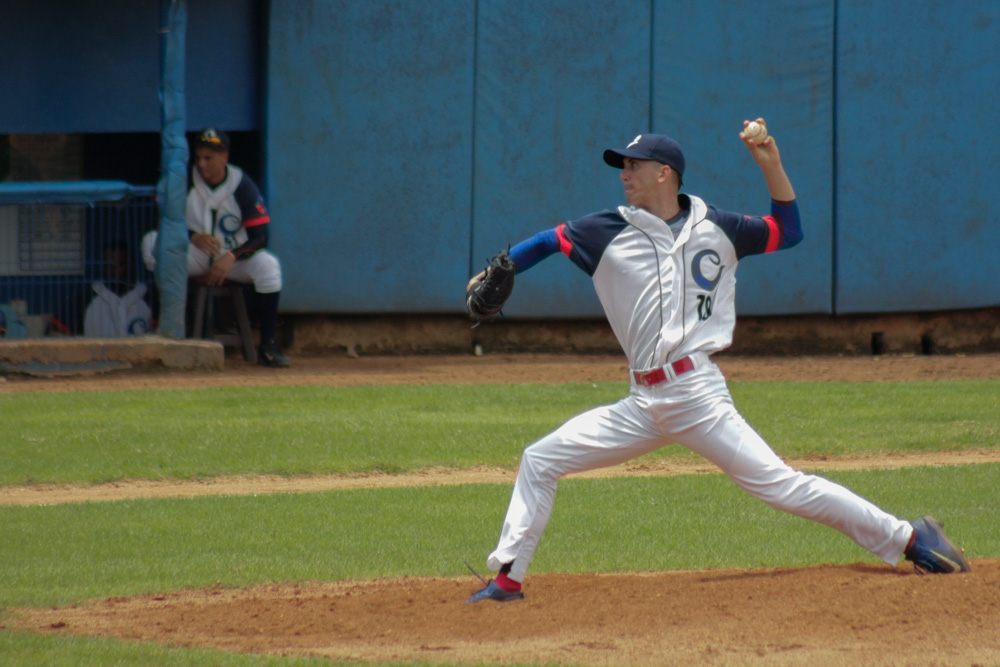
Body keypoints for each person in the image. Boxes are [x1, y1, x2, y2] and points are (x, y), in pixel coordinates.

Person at [465, 121, 971, 603]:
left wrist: (770, 162)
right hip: (641, 403)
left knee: (784, 487)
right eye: (621, 166)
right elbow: (546, 241)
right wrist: (499, 266)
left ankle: (909, 538)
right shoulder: (604, 229)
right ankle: (509, 580)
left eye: (633, 166)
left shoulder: (720, 227)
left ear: (664, 173)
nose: (623, 174)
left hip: (698, 395)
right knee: (541, 458)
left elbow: (787, 231)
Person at [144, 128, 290, 367]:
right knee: (150, 242)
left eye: (208, 158)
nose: (201, 164)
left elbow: (260, 237)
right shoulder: (184, 181)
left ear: (224, 157)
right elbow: (161, 224)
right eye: (198, 157)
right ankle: (166, 325)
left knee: (269, 265)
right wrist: (191, 236)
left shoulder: (242, 185)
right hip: (194, 255)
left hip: (231, 259)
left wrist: (232, 256)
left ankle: (268, 346)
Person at [83, 240, 153, 337]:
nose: (112, 270)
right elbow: (59, 331)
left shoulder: (149, 297)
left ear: (130, 263)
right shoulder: (87, 297)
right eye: (109, 265)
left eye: (118, 265)